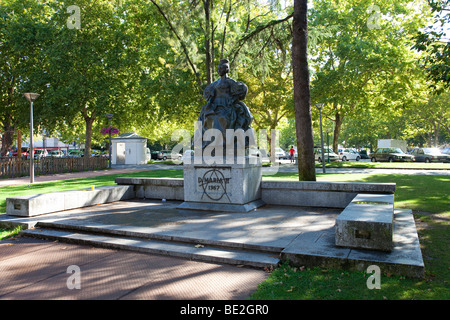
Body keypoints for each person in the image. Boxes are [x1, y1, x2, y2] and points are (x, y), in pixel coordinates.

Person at [197, 59, 254, 152]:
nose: (219, 70)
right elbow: (209, 96)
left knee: (222, 118)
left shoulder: (231, 82)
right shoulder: (215, 84)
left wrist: (232, 101)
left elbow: (241, 92)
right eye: (218, 68)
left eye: (221, 68)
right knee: (206, 117)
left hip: (227, 107)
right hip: (215, 107)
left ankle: (223, 144)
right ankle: (210, 144)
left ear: (226, 69)